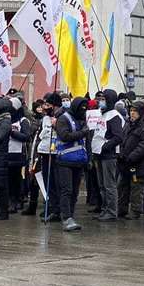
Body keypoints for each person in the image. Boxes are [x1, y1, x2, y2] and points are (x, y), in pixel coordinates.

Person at [54, 97, 91, 232]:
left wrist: (89, 159)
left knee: (75, 191)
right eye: (82, 109)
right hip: (65, 160)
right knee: (67, 190)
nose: (84, 111)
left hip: (79, 160)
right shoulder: (63, 119)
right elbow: (65, 136)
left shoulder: (82, 120)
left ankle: (71, 215)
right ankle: (66, 218)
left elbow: (86, 143)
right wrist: (82, 132)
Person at [24, 92, 61, 220]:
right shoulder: (44, 119)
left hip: (55, 153)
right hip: (43, 153)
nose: (45, 107)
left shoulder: (60, 117)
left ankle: (56, 209)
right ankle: (50, 207)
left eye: (48, 104)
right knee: (46, 182)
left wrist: (57, 125)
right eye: (44, 104)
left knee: (55, 183)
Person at [91, 89, 124, 222]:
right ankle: (105, 209)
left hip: (108, 155)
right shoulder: (102, 114)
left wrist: (105, 146)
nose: (101, 101)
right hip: (98, 154)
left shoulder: (114, 116)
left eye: (104, 99)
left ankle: (111, 211)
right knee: (102, 184)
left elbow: (118, 137)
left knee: (109, 184)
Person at [118, 100, 144, 220]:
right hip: (125, 163)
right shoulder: (128, 124)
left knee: (136, 189)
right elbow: (123, 139)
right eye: (131, 110)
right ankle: (121, 209)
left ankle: (135, 211)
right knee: (122, 186)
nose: (132, 113)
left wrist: (131, 156)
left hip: (139, 164)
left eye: (135, 111)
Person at [7, 97, 31, 213]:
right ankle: (9, 200)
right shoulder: (6, 119)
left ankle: (17, 200)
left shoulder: (23, 121)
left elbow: (26, 137)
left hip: (18, 155)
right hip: (6, 153)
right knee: (8, 180)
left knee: (17, 179)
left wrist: (12, 132)